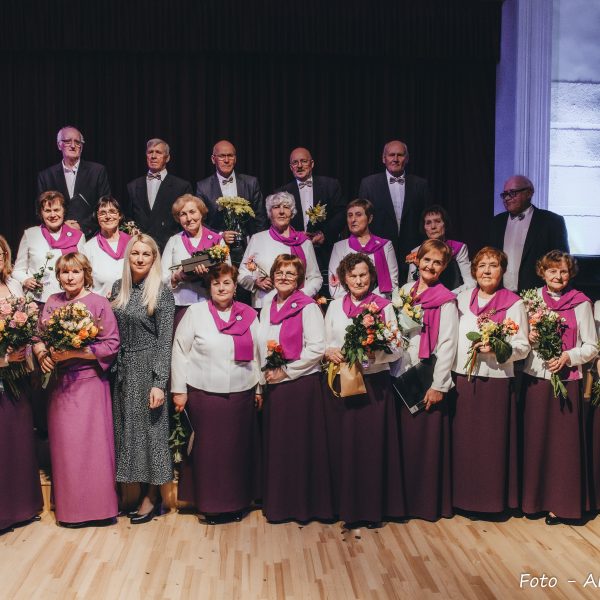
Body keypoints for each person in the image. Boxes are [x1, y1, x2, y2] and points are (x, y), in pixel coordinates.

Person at [33, 252, 120, 528]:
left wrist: (76, 352)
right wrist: (41, 352)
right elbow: (38, 337)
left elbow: (111, 344)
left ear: (86, 274)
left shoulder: (99, 303)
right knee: (67, 450)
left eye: (75, 271)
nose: (70, 277)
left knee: (95, 448)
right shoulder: (52, 302)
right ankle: (72, 513)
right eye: (65, 272)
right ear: (58, 276)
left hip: (91, 384)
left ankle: (102, 510)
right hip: (61, 386)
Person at [171, 263, 261, 524]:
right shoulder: (195, 313)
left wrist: (259, 388)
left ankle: (237, 503)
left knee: (236, 451)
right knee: (208, 454)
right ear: (209, 287)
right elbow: (180, 351)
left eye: (227, 283)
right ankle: (209, 505)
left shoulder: (249, 314)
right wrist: (179, 390)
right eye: (216, 283)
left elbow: (258, 354)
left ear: (235, 286)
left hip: (241, 394)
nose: (222, 288)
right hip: (204, 394)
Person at [324, 253, 404, 527]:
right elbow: (325, 342)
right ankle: (343, 508)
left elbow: (397, 349)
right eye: (353, 276)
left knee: (371, 448)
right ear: (344, 279)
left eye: (363, 275)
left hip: (374, 384)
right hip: (342, 384)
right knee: (344, 447)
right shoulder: (335, 307)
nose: (358, 281)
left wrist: (373, 355)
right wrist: (329, 351)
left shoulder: (383, 306)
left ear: (371, 276)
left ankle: (371, 511)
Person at [451, 247, 530, 517]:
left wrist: (498, 349)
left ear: (502, 270)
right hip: (463, 379)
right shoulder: (461, 299)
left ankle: (491, 503)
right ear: (473, 270)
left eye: (493, 265)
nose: (486, 270)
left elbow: (523, 347)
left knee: (491, 445)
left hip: (495, 381)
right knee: (465, 443)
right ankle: (463, 499)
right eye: (482, 265)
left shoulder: (514, 303)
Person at [521, 250, 598, 524]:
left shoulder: (581, 303)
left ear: (571, 274)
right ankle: (534, 501)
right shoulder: (530, 300)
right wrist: (529, 336)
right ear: (542, 272)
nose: (558, 276)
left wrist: (568, 356)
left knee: (562, 447)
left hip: (568, 381)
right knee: (536, 441)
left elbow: (592, 346)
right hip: (535, 379)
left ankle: (560, 503)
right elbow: (517, 338)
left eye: (563, 271)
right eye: (552, 270)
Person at [257, 254, 332, 523]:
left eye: (290, 273)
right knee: (279, 448)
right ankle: (279, 505)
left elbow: (317, 348)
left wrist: (286, 371)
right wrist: (265, 377)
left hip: (301, 386)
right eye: (279, 272)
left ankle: (302, 507)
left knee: (300, 447)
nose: (284, 277)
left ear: (299, 279)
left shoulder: (308, 307)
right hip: (275, 386)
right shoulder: (268, 305)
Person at [110, 234, 175, 524]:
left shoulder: (162, 292)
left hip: (148, 367)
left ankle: (153, 495)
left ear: (154, 259)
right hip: (123, 369)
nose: (139, 258)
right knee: (129, 432)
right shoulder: (118, 287)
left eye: (146, 254)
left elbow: (164, 341)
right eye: (135, 253)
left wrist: (159, 383)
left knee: (151, 433)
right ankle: (133, 494)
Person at [394, 239, 458, 521]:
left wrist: (438, 385)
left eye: (437, 262)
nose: (431, 266)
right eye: (427, 260)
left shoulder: (446, 300)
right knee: (403, 442)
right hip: (401, 372)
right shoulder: (404, 292)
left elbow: (448, 344)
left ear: (444, 267)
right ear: (417, 261)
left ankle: (425, 503)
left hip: (427, 376)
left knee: (424, 443)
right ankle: (401, 501)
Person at [0, 236, 43, 535]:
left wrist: (26, 352)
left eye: (0, 253)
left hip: (18, 376)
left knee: (18, 441)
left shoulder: (14, 286)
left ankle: (23, 508)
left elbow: (27, 329)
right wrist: (4, 359)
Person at [358, 140, 431, 278]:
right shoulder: (368, 184)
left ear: (407, 158)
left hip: (413, 252)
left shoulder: (420, 185)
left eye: (400, 155)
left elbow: (427, 219)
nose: (395, 159)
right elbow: (362, 220)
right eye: (391, 155)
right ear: (383, 158)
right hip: (378, 251)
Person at [238, 192, 322, 309]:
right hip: (265, 305)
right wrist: (255, 282)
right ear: (270, 213)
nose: (281, 211)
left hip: (298, 306)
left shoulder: (304, 242)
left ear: (291, 213)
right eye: (276, 207)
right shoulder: (258, 239)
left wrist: (301, 296)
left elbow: (315, 278)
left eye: (286, 207)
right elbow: (242, 274)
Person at [489, 175, 570, 292]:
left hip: (537, 296)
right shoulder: (497, 222)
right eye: (504, 194)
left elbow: (562, 262)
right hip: (501, 295)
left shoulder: (552, 222)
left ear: (529, 193)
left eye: (512, 193)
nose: (507, 198)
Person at [161, 194, 230, 329]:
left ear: (201, 213)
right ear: (178, 218)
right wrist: (176, 277)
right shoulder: (174, 241)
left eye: (192, 212)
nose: (189, 218)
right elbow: (162, 277)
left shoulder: (217, 240)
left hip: (211, 303)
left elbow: (228, 274)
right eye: (183, 214)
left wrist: (208, 276)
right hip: (181, 304)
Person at [276, 147, 346, 269]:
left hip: (326, 250)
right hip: (294, 251)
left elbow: (341, 213)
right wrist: (295, 235)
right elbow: (277, 221)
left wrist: (324, 234)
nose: (299, 166)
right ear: (291, 167)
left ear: (312, 163)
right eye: (295, 162)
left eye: (303, 161)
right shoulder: (282, 192)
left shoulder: (330, 185)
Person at [37, 126, 111, 238]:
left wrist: (81, 226)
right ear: (59, 145)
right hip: (57, 236)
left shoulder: (97, 171)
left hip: (91, 236)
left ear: (82, 146)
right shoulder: (46, 176)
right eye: (67, 141)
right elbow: (41, 209)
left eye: (77, 142)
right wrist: (62, 226)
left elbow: (105, 205)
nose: (73, 145)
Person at [13, 191, 86, 303]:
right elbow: (17, 270)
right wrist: (26, 280)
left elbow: (85, 272)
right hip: (38, 300)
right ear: (41, 213)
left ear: (64, 211)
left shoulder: (78, 236)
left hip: (70, 301)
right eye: (47, 211)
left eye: (56, 210)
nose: (52, 215)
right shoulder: (30, 235)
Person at [195, 139, 268, 244]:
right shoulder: (203, 187)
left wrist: (258, 245)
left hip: (248, 245)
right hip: (217, 245)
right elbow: (200, 221)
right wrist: (220, 235)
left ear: (235, 159)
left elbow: (260, 219)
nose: (226, 160)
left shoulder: (251, 183)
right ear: (213, 159)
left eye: (230, 156)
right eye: (222, 156)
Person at [125, 138, 192, 251]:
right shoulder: (133, 186)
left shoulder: (181, 186)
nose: (153, 156)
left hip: (170, 247)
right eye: (150, 152)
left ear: (167, 157)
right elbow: (128, 218)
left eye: (158, 152)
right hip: (141, 248)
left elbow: (186, 220)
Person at [328, 199, 398, 299]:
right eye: (350, 215)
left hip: (378, 303)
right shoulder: (339, 247)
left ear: (370, 218)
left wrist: (369, 303)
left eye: (358, 214)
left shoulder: (385, 246)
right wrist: (353, 302)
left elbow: (392, 281)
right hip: (347, 304)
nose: (353, 219)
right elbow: (334, 284)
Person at [406, 205, 475, 294]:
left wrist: (448, 295)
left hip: (453, 296)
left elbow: (470, 283)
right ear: (424, 227)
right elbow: (411, 285)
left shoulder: (459, 248)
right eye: (428, 223)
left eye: (437, 221)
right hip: (424, 298)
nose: (433, 226)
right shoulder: (416, 251)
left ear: (445, 224)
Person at [83, 197, 131, 297]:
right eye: (102, 213)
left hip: (130, 303)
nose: (108, 216)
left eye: (112, 212)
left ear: (119, 215)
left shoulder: (132, 243)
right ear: (97, 216)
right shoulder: (88, 248)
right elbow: (84, 285)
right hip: (100, 303)